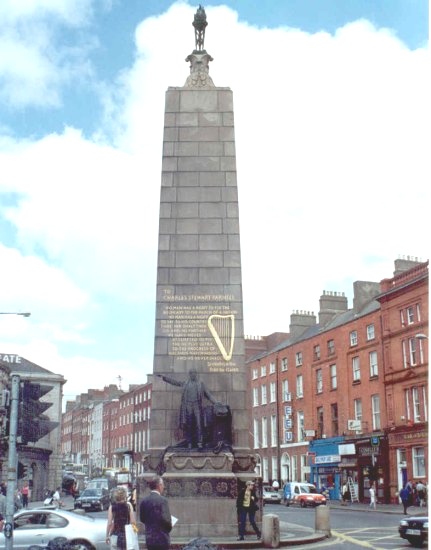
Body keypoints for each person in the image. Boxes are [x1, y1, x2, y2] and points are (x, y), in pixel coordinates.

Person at [157, 369, 221, 449]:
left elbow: (208, 395)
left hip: (197, 406)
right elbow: (175, 382)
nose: (193, 375)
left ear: (196, 374)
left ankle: (199, 442)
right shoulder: (185, 383)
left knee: (199, 425)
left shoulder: (200, 384)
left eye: (194, 373)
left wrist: (216, 403)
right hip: (188, 406)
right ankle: (189, 443)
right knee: (189, 425)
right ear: (189, 375)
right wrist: (164, 378)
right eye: (191, 374)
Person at [140, 475, 172, 550]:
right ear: (159, 486)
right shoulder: (163, 501)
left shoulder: (144, 501)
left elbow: (142, 519)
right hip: (162, 538)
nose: (163, 487)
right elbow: (166, 519)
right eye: (163, 484)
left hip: (150, 538)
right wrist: (169, 528)